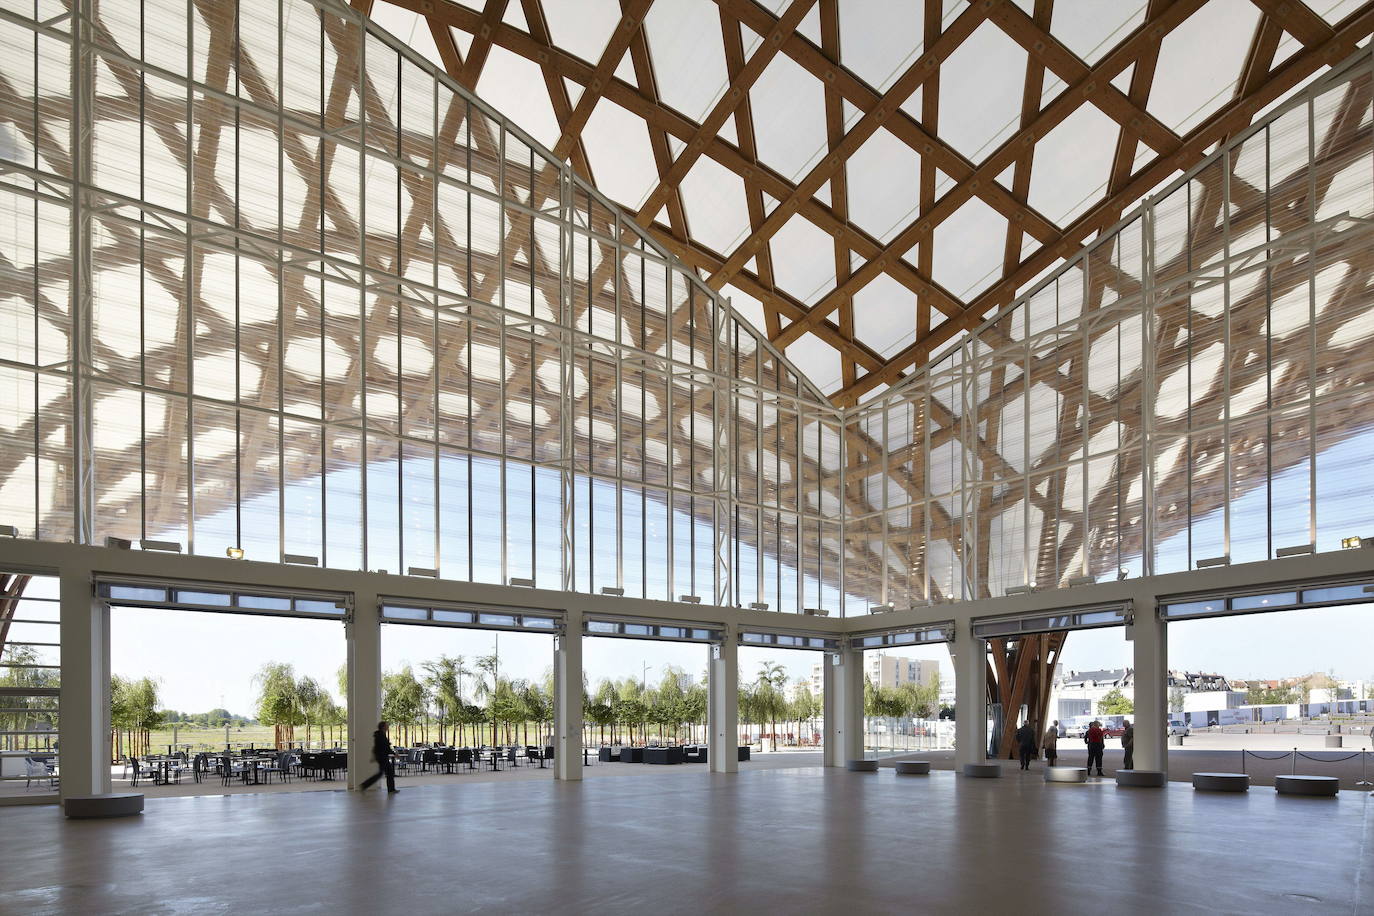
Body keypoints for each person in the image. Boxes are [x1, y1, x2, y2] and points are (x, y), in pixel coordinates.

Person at [361, 721, 398, 793]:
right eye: (387, 725)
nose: (388, 727)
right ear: (383, 727)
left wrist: (374, 755)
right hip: (382, 757)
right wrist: (394, 753)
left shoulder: (380, 734)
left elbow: (376, 747)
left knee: (388, 772)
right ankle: (365, 785)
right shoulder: (381, 735)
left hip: (381, 756)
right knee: (383, 773)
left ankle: (391, 789)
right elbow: (386, 747)